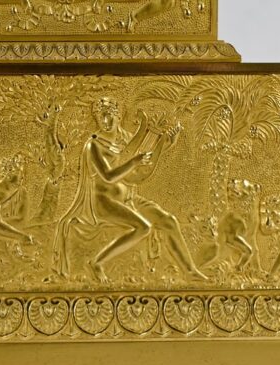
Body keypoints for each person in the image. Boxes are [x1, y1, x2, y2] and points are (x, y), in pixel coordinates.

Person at [54, 97, 206, 283]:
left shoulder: (125, 139)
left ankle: (190, 272)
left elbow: (141, 170)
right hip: (104, 203)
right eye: (101, 117)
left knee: (169, 221)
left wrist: (165, 143)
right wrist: (134, 161)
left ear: (119, 116)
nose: (105, 121)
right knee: (143, 227)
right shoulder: (94, 145)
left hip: (129, 199)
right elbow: (109, 176)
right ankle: (97, 263)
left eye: (109, 116)